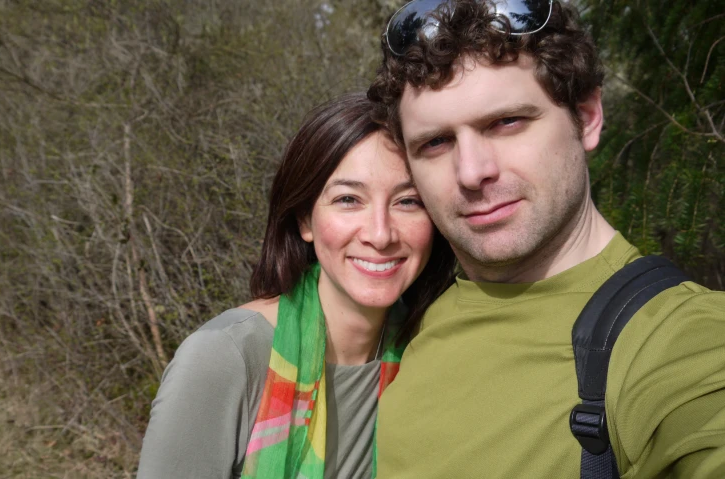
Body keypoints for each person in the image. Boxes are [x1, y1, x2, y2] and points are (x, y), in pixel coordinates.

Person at [366, 0, 725, 477]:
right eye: (436, 143)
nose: (473, 172)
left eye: (507, 122)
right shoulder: (404, 314)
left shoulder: (679, 339)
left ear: (587, 117)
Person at [135, 93, 456, 478]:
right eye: (349, 199)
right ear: (305, 220)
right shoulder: (225, 359)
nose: (380, 234)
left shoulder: (429, 352)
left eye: (408, 201)